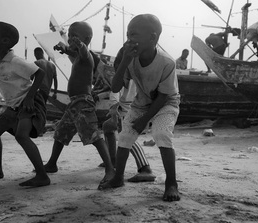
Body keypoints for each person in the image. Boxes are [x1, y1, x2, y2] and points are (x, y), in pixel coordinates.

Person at [98, 14, 181, 202]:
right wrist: (125, 61)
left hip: (166, 103)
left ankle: (171, 183)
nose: (129, 39)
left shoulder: (167, 62)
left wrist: (144, 120)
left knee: (161, 134)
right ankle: (118, 177)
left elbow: (164, 95)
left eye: (133, 34)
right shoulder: (131, 59)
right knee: (125, 136)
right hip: (142, 102)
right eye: (128, 34)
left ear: (153, 38)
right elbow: (116, 87)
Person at [0, 21, 50, 187]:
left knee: (22, 136)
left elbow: (40, 73)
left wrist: (29, 98)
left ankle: (42, 176)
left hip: (28, 103)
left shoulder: (15, 61)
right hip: (14, 106)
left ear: (5, 41)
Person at [45, 21, 115, 186]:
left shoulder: (87, 56)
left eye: (74, 35)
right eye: (69, 35)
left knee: (93, 135)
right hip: (74, 104)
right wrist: (65, 49)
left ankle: (110, 168)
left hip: (83, 103)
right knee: (60, 133)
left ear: (87, 39)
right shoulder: (77, 57)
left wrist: (81, 45)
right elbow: (75, 53)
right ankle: (52, 163)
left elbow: (83, 51)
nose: (70, 38)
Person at [100, 46, 156, 183]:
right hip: (133, 110)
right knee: (108, 128)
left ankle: (145, 168)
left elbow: (114, 96)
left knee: (127, 139)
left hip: (124, 112)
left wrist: (114, 112)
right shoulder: (138, 75)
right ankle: (112, 159)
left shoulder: (122, 76)